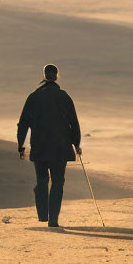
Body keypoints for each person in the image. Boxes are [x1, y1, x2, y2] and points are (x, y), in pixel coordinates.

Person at [17, 63, 81, 228]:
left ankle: (43, 214)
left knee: (42, 180)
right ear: (57, 75)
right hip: (60, 147)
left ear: (44, 75)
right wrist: (76, 143)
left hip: (39, 146)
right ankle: (53, 219)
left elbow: (23, 122)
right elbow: (73, 122)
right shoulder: (64, 96)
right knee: (58, 182)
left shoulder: (34, 96)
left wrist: (20, 144)